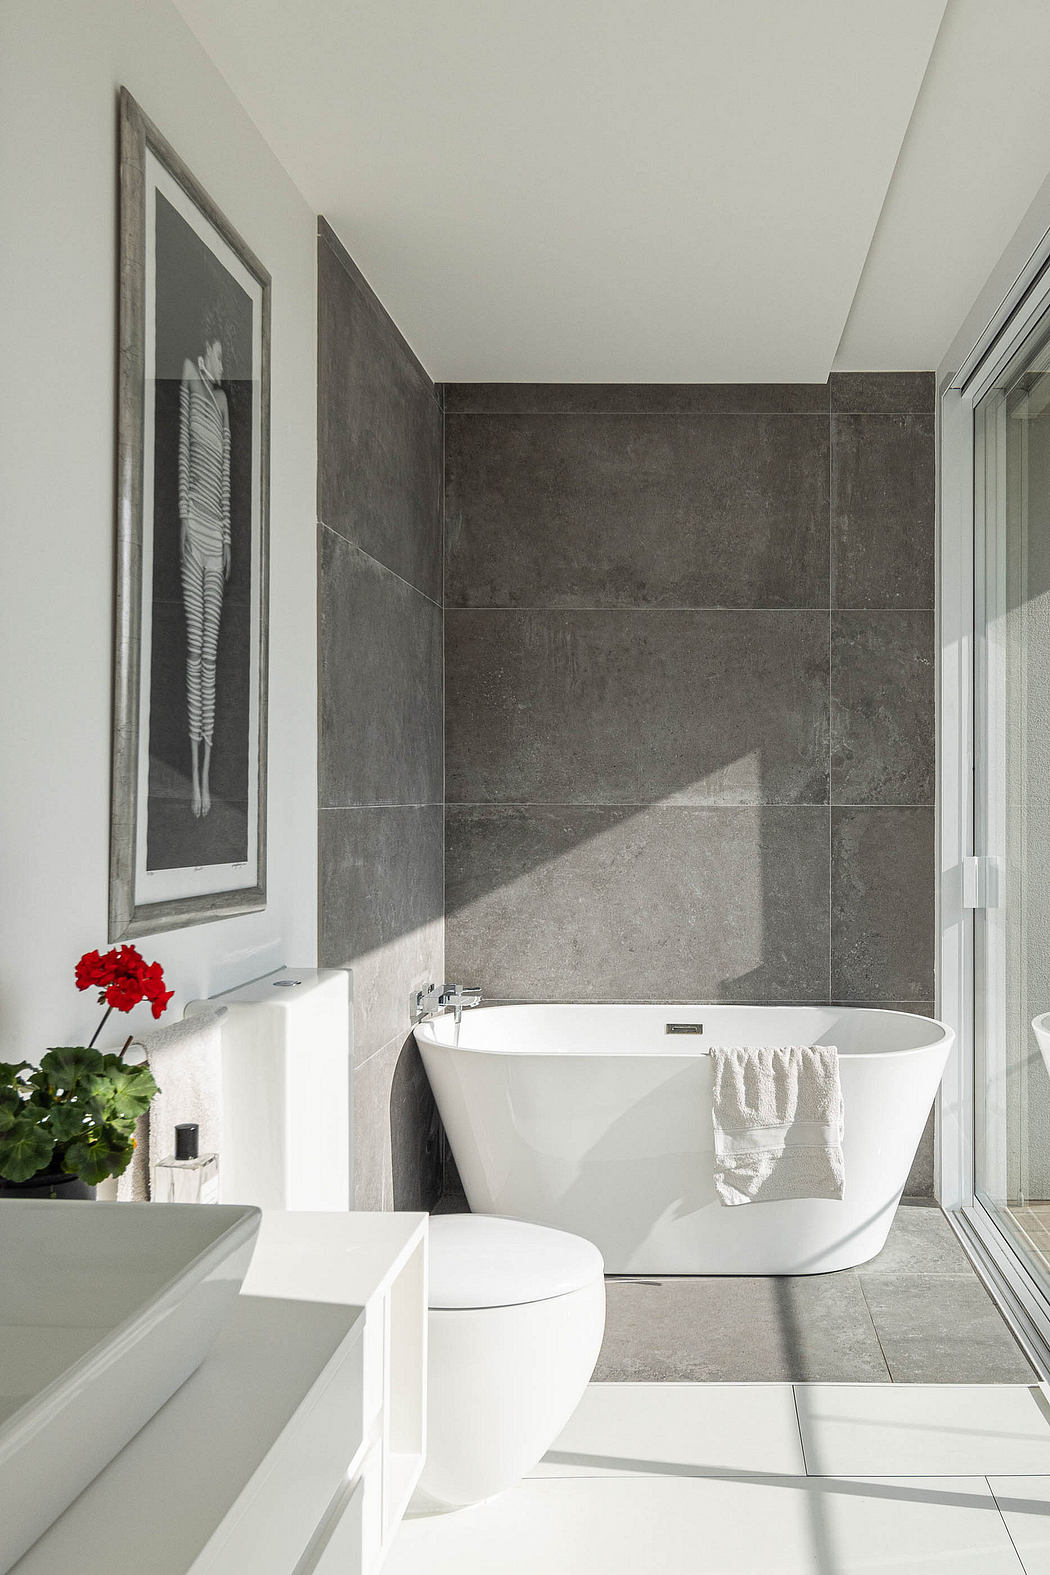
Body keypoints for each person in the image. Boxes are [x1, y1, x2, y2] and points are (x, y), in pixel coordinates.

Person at [178, 308, 231, 819]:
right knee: (194, 651)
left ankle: (205, 780)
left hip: (217, 538)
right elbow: (183, 458)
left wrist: (229, 540)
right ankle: (192, 772)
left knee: (210, 658)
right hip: (194, 531)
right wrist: (181, 522)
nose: (222, 362)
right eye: (219, 353)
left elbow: (226, 479)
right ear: (206, 347)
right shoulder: (190, 381)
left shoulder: (220, 402)